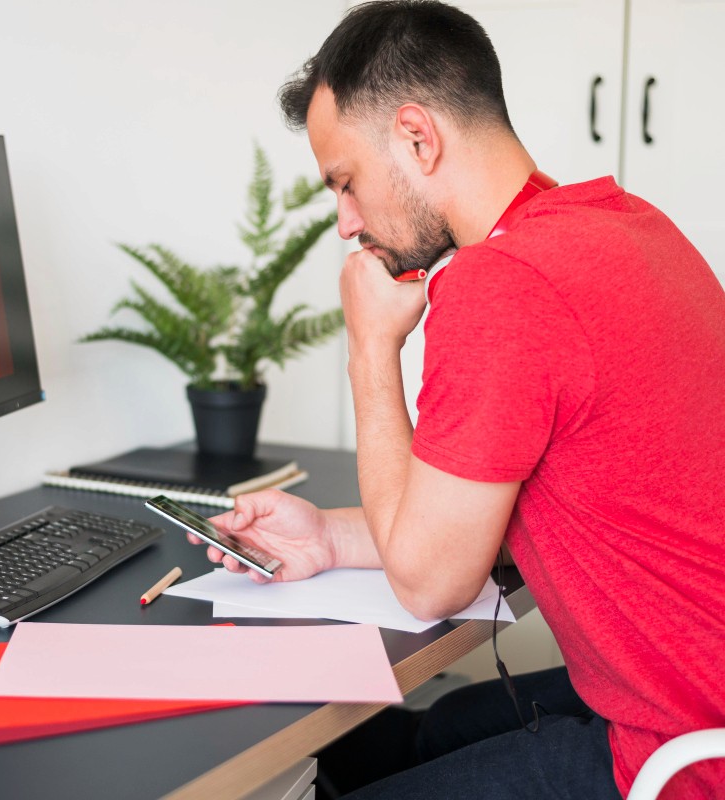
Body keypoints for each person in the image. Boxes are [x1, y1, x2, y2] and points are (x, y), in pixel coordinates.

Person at [184, 2, 725, 798]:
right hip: (689, 693)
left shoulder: (504, 284)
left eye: (346, 183)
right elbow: (482, 526)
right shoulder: (630, 226)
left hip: (687, 754)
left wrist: (370, 348)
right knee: (420, 734)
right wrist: (330, 538)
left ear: (417, 137)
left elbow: (431, 584)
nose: (346, 223)